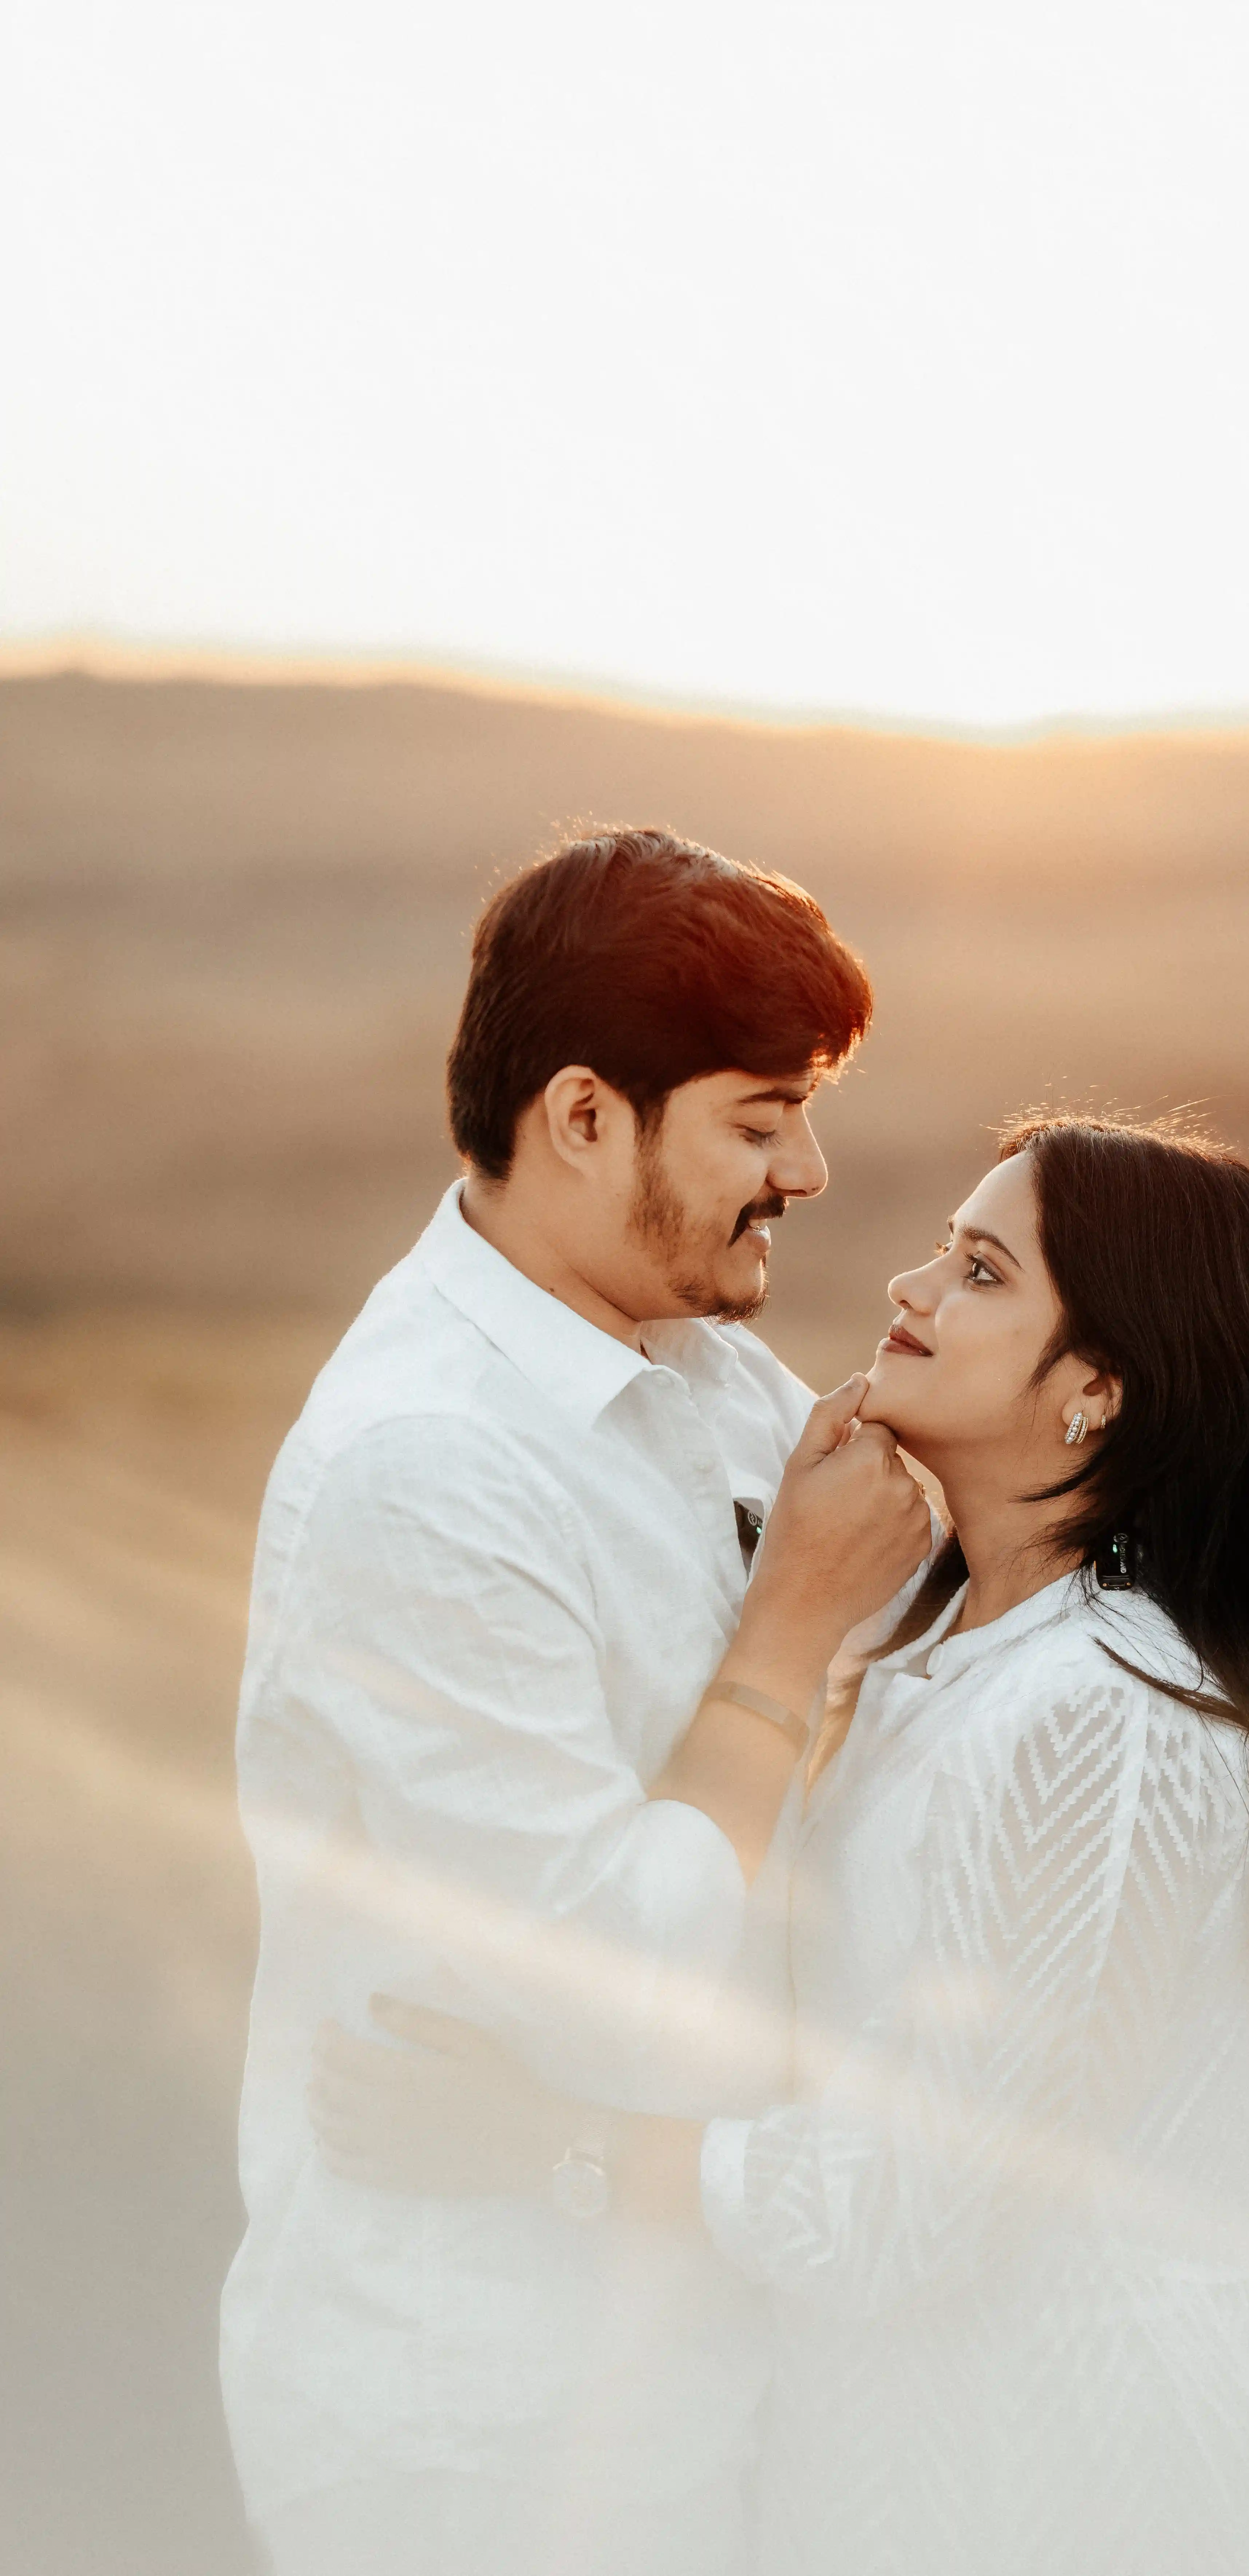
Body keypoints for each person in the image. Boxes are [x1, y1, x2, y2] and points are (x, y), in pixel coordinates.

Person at [312, 1111, 1249, 2575]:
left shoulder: (1106, 1710)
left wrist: (548, 2143)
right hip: (917, 2477)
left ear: (1101, 1392)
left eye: (984, 1272)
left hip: (1087, 2495)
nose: (911, 1287)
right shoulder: (960, 1647)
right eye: (946, 1245)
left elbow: (915, 2198)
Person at [221, 827, 932, 2576]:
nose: (814, 1171)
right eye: (762, 1120)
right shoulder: (427, 1469)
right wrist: (784, 1639)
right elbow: (609, 1987)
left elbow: (929, 1614)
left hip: (688, 2371)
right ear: (587, 1117)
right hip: (483, 2426)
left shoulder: (684, 1359)